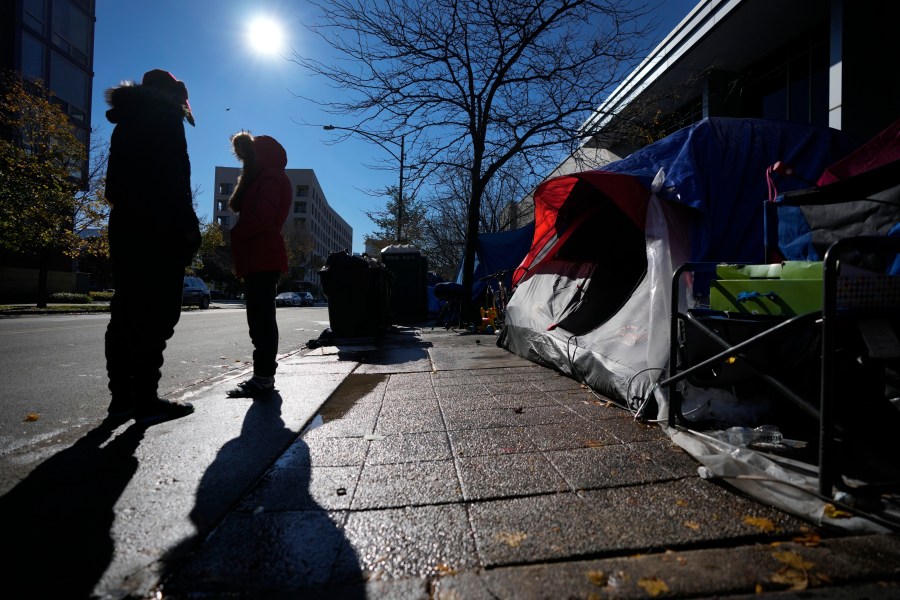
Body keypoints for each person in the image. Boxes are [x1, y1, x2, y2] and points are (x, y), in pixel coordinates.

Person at [103, 69, 200, 422]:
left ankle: (122, 399)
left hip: (126, 227)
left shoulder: (125, 123)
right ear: (173, 94)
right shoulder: (166, 120)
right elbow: (176, 181)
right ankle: (145, 398)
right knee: (158, 314)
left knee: (126, 312)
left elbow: (112, 188)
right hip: (161, 230)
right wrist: (188, 228)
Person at [225, 131, 291, 398]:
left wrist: (236, 235)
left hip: (263, 256)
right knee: (260, 319)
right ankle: (263, 376)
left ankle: (263, 377)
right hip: (259, 257)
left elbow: (262, 218)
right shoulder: (266, 178)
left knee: (261, 320)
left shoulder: (270, 178)